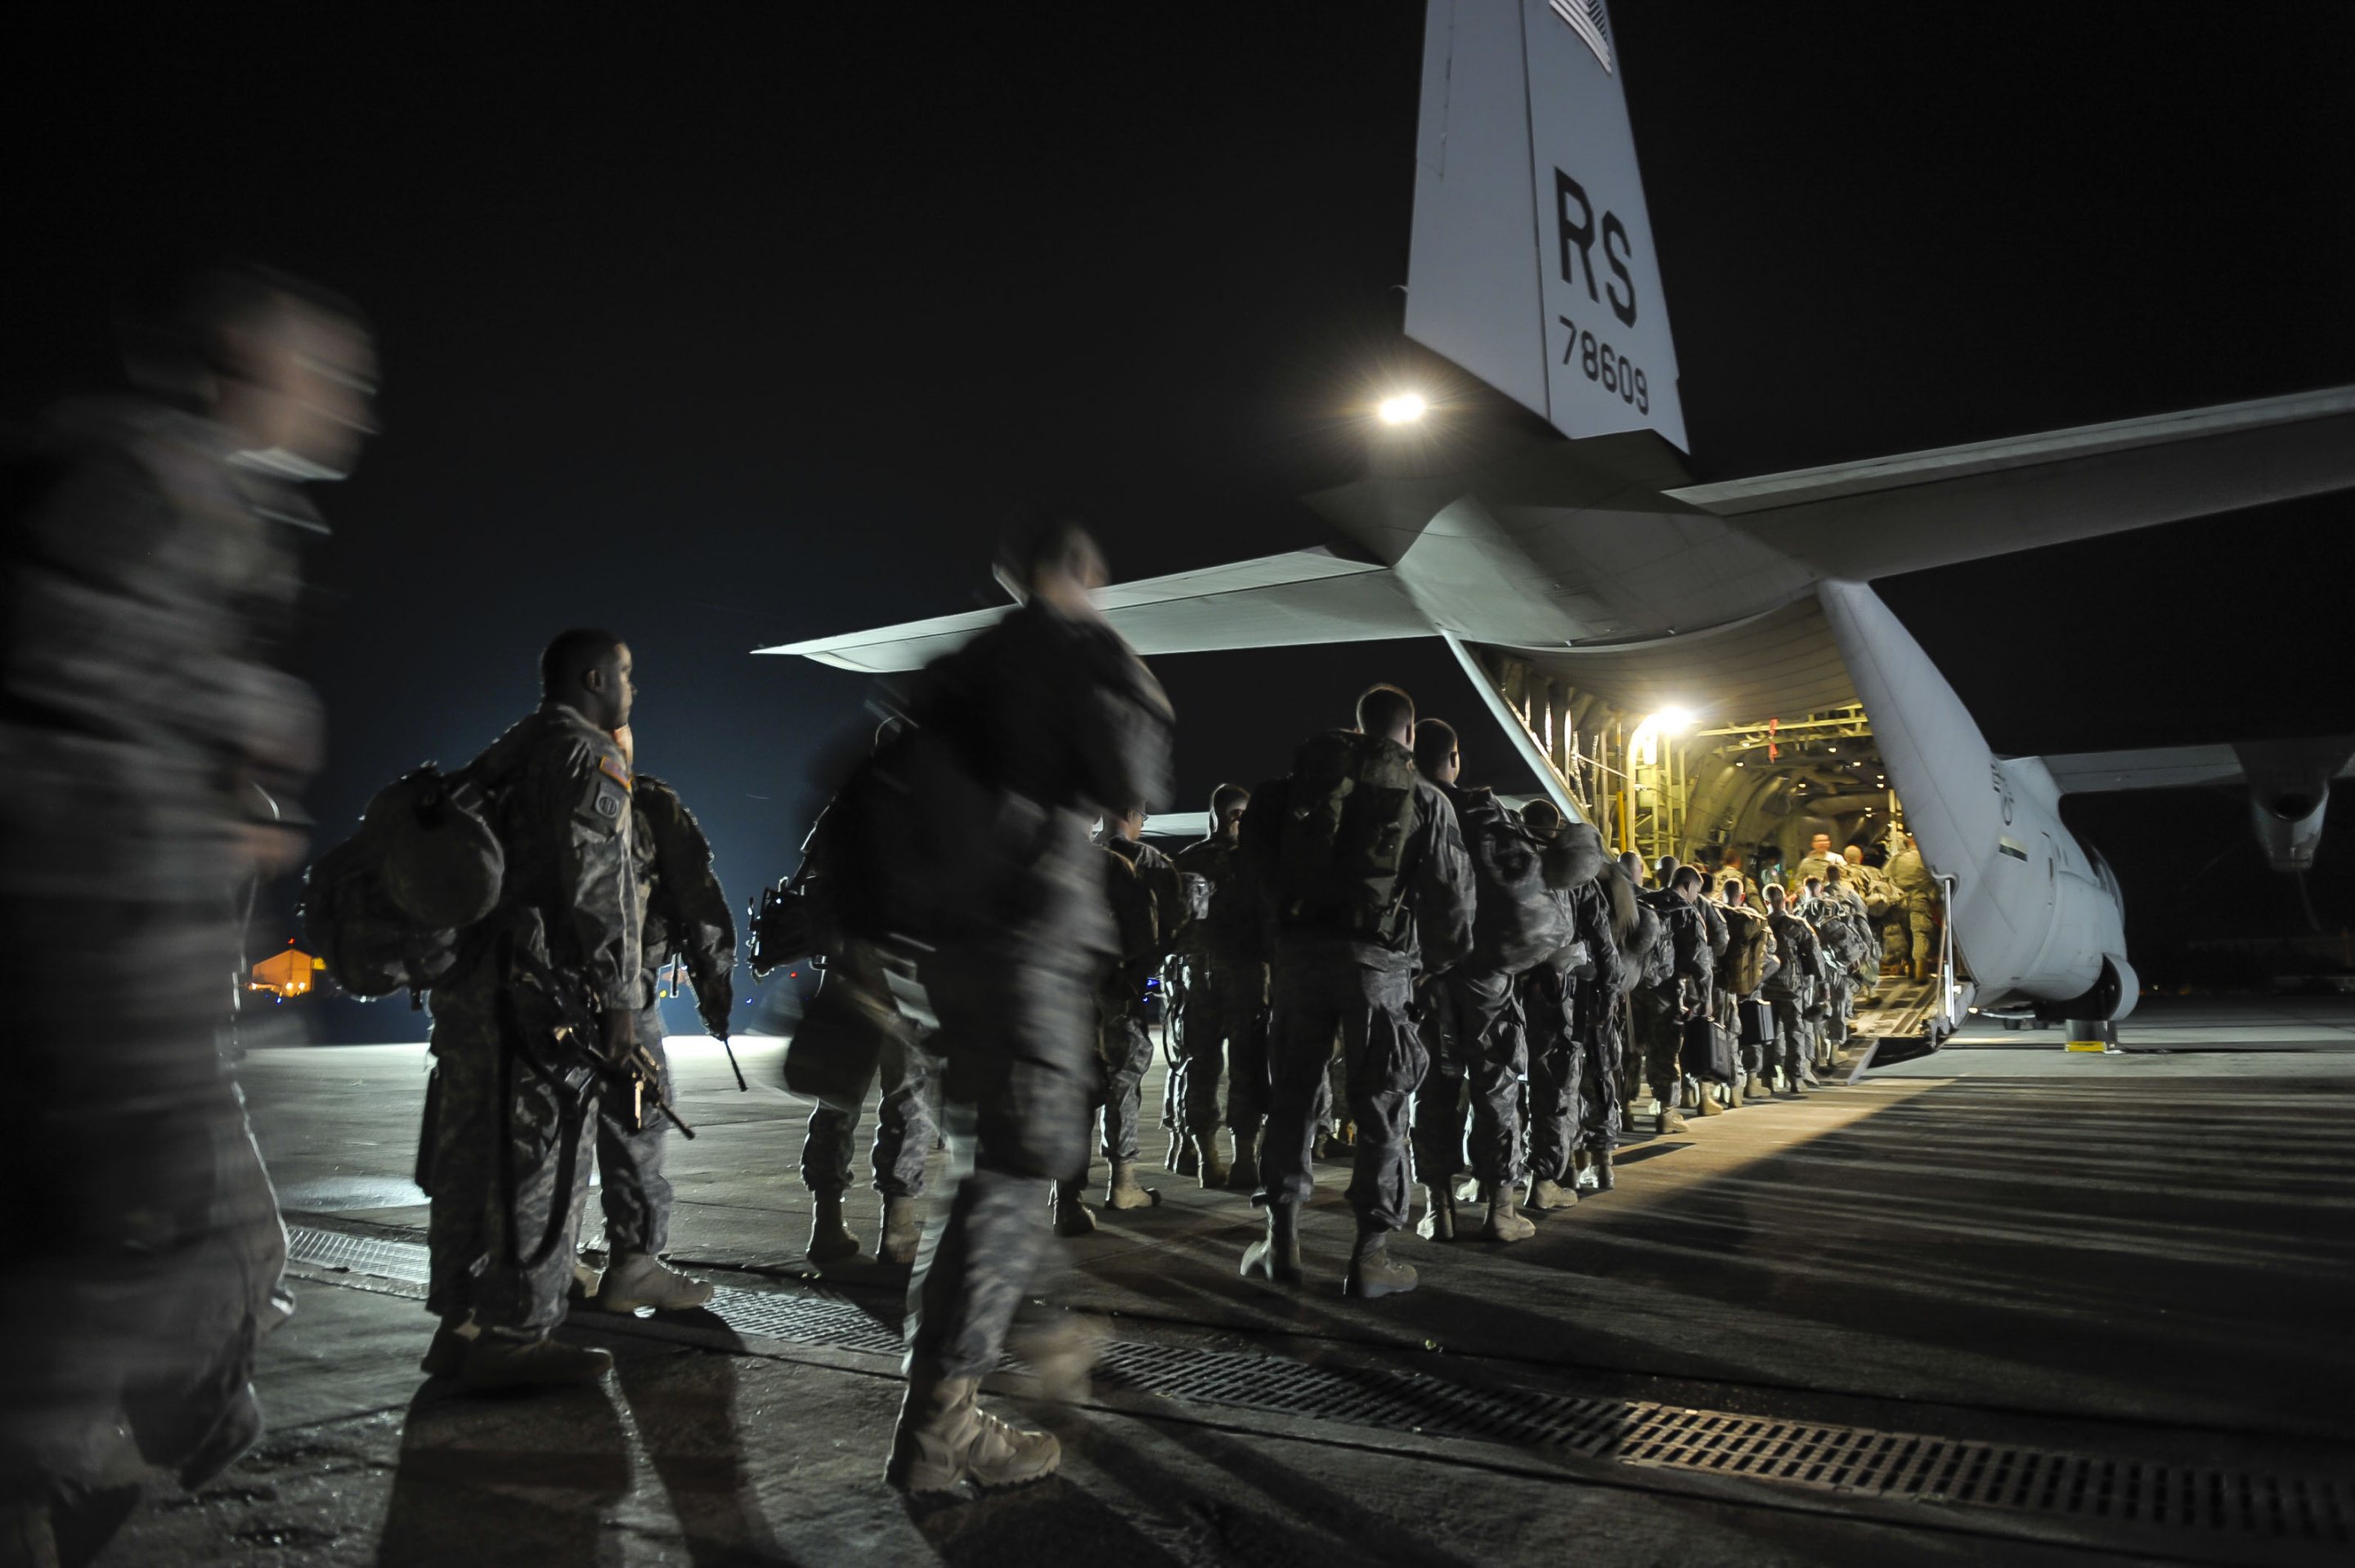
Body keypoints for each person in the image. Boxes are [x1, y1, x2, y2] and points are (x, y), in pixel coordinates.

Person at [0, 268, 372, 1552]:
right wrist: (236, 722)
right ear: (243, 367)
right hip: (101, 947)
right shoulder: (150, 485)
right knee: (118, 1241)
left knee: (148, 1237)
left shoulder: (197, 496)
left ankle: (94, 1458)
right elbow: (63, 691)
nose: (350, 405)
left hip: (129, 942)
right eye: (328, 373)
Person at [860, 518, 1173, 1493]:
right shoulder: (1079, 648)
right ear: (1079, 573)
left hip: (946, 956)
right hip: (1028, 940)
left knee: (991, 1162)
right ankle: (943, 1424)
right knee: (1011, 1169)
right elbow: (1133, 785)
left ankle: (993, 1354)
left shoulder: (960, 666)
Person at [420, 630, 644, 1390]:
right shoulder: (586, 754)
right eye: (625, 675)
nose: (632, 689)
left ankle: (462, 1325)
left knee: (466, 1157)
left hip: (468, 991)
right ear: (593, 679)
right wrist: (620, 999)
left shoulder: (508, 749)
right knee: (538, 1162)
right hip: (537, 993)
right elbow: (600, 883)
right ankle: (518, 1337)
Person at [1239, 685, 1474, 1298]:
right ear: (1411, 733)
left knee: (1292, 1097)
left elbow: (1255, 878)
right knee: (1380, 1105)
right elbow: (1452, 906)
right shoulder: (1425, 799)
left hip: (1298, 962)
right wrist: (1427, 967)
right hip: (1378, 965)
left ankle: (1279, 1242)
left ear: (1359, 725)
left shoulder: (1293, 791)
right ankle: (1370, 1257)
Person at [1406, 720, 1565, 1244]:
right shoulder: (1482, 810)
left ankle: (1438, 1210)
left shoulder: (1400, 805)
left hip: (1423, 972)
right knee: (1495, 1086)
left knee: (1431, 1087)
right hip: (1486, 973)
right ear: (1454, 758)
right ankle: (1501, 1210)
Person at [590, 770, 731, 1313]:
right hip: (621, 985)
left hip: (537, 987)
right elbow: (696, 893)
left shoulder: (522, 772)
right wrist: (713, 979)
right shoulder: (639, 798)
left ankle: (542, 1265)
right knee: (638, 1118)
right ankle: (635, 1265)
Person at [1061, 804, 1186, 1230]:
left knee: (1070, 1089)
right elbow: (1156, 935)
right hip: (1113, 991)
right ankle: (1123, 1182)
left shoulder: (1034, 864)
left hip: (1058, 997)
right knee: (1122, 1080)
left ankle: (1066, 1196)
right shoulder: (1122, 866)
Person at [1515, 800, 1615, 1211]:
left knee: (1504, 1088)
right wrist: (1607, 993)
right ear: (1557, 830)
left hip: (1501, 994)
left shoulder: (1505, 863)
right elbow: (1603, 941)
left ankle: (1494, 1183)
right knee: (1555, 1088)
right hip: (1555, 996)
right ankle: (1544, 1181)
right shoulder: (1571, 873)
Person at [1170, 784, 1268, 1189]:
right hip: (1241, 976)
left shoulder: (1188, 860)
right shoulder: (1257, 861)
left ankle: (1212, 1160)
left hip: (1200, 976)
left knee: (1204, 1067)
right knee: (1242, 1066)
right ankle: (1239, 1159)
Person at [1632, 867, 1712, 1132]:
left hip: (1634, 988)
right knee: (1666, 1049)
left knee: (1631, 1048)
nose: (1695, 897)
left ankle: (1623, 1109)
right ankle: (1667, 1114)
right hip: (1666, 991)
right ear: (1688, 886)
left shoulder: (1644, 902)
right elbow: (1700, 962)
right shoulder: (1688, 913)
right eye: (1696, 892)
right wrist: (1705, 996)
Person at [1761, 885, 1824, 1091]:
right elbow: (1814, 953)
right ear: (1785, 899)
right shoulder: (1795, 924)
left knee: (1767, 1032)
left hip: (1765, 989)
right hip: (1792, 988)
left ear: (1766, 902)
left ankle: (1766, 1078)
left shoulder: (1759, 924)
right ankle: (1795, 1078)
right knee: (1795, 1031)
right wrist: (1822, 983)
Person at [1887, 833, 1939, 983]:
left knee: (1906, 933)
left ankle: (1910, 968)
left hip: (1900, 901)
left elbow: (1886, 877)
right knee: (1920, 933)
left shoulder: (1896, 859)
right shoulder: (1926, 859)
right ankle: (1921, 970)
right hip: (1920, 899)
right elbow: (1936, 878)